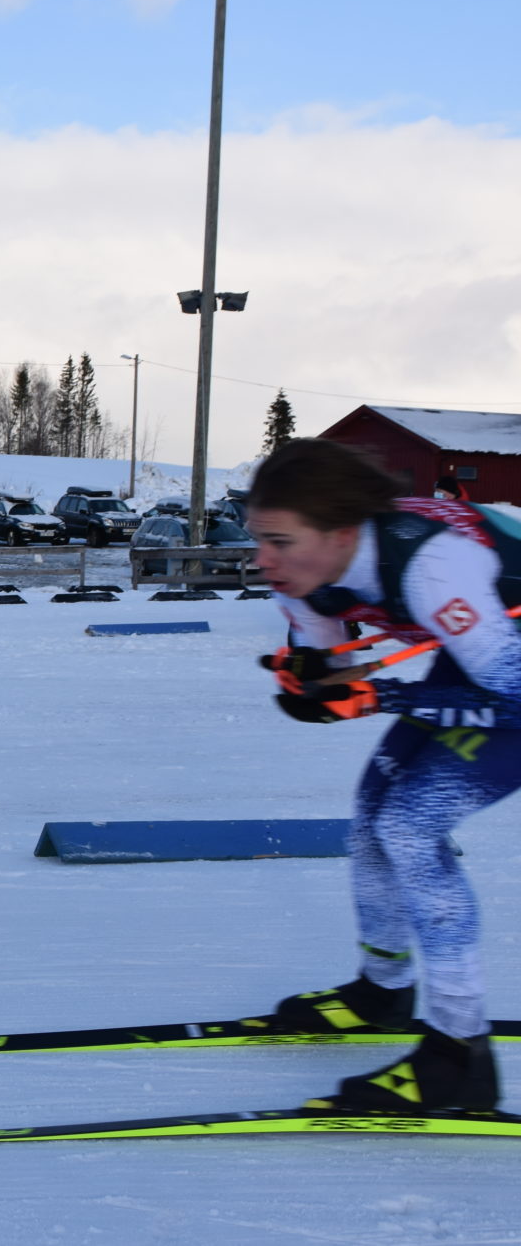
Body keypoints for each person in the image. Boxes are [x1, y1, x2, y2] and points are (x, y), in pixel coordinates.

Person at [249, 438, 521, 1113]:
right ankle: (383, 989)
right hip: (483, 656)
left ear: (341, 533)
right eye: (258, 539)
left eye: (279, 542)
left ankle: (460, 1057)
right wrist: (314, 684)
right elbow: (330, 665)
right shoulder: (306, 572)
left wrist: (381, 695)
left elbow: (515, 695)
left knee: (410, 824)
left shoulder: (434, 568)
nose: (262, 561)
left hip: (510, 670)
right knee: (374, 813)